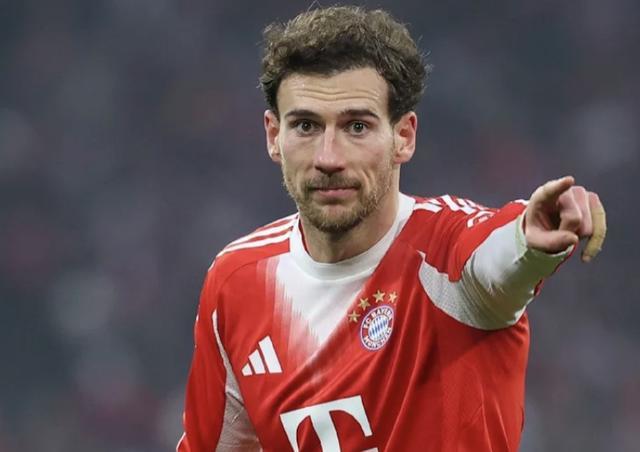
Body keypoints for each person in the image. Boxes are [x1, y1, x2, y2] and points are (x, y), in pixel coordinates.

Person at [177, 6, 607, 451]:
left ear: (404, 136)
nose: (328, 157)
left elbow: (498, 256)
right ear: (273, 136)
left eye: (356, 127)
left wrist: (531, 240)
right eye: (305, 126)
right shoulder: (237, 281)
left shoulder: (445, 250)